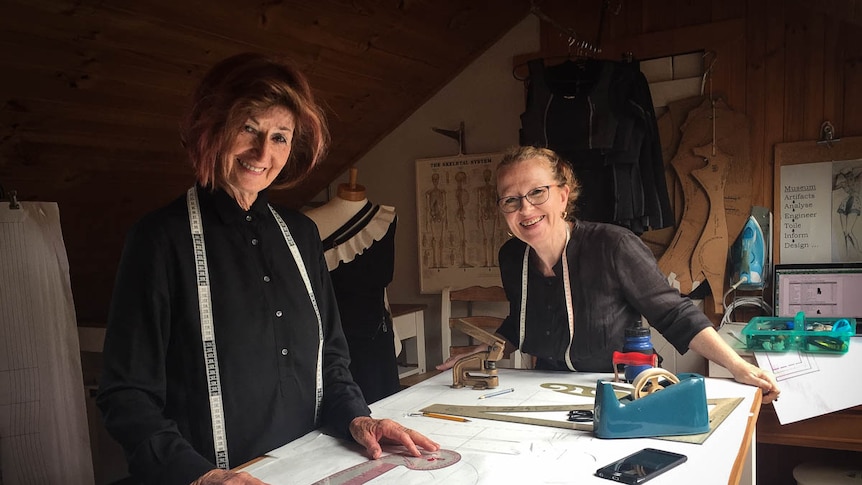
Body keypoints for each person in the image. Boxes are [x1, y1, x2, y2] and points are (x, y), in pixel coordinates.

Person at [97, 52, 438, 485]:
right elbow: (126, 395)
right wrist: (203, 476)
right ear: (211, 129)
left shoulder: (301, 235)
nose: (263, 152)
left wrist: (358, 418)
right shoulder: (159, 240)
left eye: (280, 136)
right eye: (248, 129)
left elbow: (330, 359)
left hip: (309, 468)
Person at [437, 145, 780, 404]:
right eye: (510, 200)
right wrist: (485, 349)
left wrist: (739, 367)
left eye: (536, 193)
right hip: (546, 390)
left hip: (626, 388)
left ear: (562, 195)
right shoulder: (512, 257)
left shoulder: (613, 245)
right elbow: (521, 320)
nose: (524, 208)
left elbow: (674, 313)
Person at [304, 169, 401, 404]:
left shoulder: (385, 219)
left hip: (378, 342)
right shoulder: (307, 226)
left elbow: (382, 292)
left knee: (387, 422)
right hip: (334, 349)